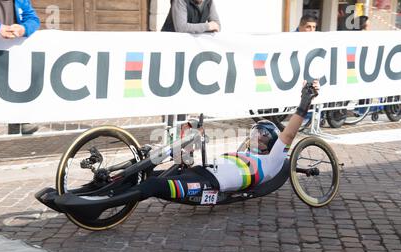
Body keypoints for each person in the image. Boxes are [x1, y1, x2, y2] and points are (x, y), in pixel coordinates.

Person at [110, 80, 320, 204]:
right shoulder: (246, 154)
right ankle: (105, 188)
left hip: (207, 186)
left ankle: (104, 202)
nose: (257, 137)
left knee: (153, 185)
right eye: (255, 132)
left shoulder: (273, 161)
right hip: (200, 172)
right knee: (143, 174)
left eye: (264, 136)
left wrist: (305, 100)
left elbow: (289, 134)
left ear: (274, 143)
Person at [0, 0, 40, 166]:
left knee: (18, 82)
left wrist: (23, 28)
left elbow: (33, 19)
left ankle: (17, 120)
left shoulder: (21, 0)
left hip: (7, 54)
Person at [161, 0, 221, 126]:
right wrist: (207, 26)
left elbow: (217, 25)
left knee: (185, 90)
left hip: (189, 52)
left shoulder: (208, 2)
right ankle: (169, 129)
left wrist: (209, 27)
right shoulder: (180, 1)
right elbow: (181, 27)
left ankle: (181, 128)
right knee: (171, 92)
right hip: (170, 50)